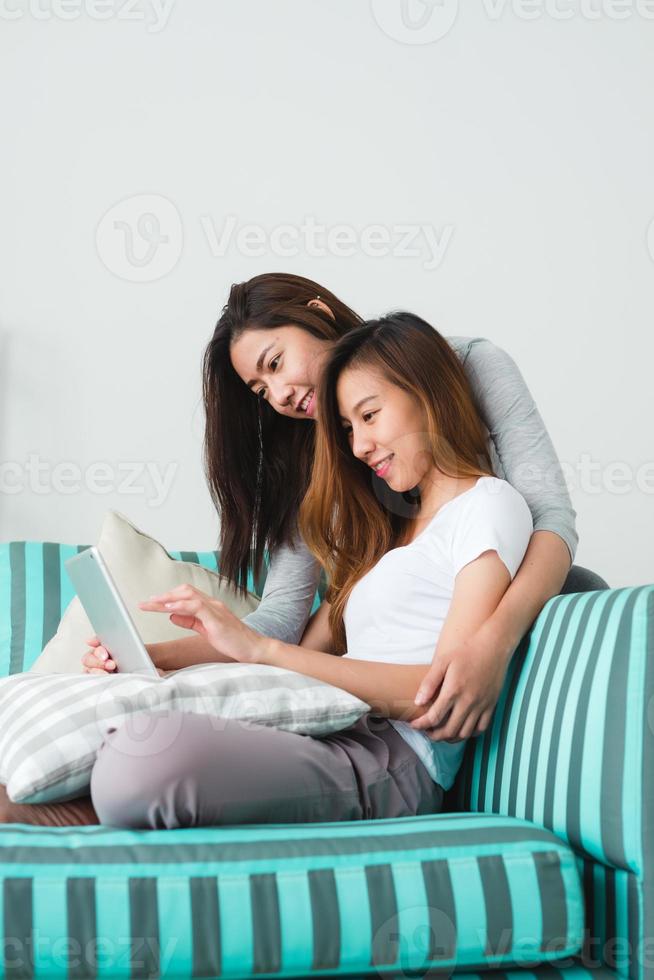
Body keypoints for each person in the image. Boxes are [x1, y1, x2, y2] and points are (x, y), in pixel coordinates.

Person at [87, 312, 534, 828]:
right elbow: (301, 643)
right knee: (131, 732)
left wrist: (262, 649)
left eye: (369, 416)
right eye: (347, 429)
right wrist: (152, 659)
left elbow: (435, 698)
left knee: (139, 762)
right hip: (333, 726)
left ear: (427, 392)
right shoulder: (386, 539)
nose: (360, 447)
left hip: (392, 760)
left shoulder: (487, 506)